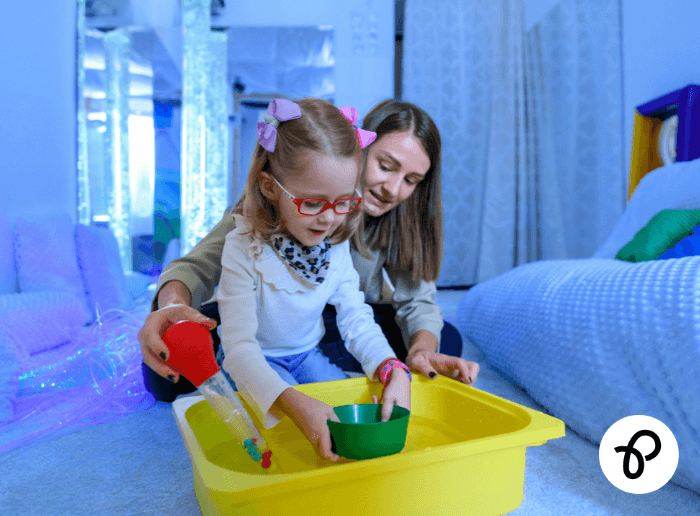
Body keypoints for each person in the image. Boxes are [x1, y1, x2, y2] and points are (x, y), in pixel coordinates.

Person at [139, 98, 479, 405]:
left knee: (444, 339)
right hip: (263, 320)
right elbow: (197, 267)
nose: (392, 189)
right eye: (386, 166)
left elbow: (410, 304)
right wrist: (175, 308)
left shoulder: (386, 225)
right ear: (358, 150)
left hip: (326, 326)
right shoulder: (270, 209)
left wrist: (419, 352)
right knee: (170, 365)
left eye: (411, 179)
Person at [201, 98, 412, 461]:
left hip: (306, 355)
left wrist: (391, 366)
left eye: (343, 202)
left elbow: (356, 317)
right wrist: (288, 399)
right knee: (282, 442)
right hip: (253, 362)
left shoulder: (336, 242)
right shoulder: (242, 246)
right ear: (269, 187)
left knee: (348, 421)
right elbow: (238, 350)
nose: (329, 220)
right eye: (312, 204)